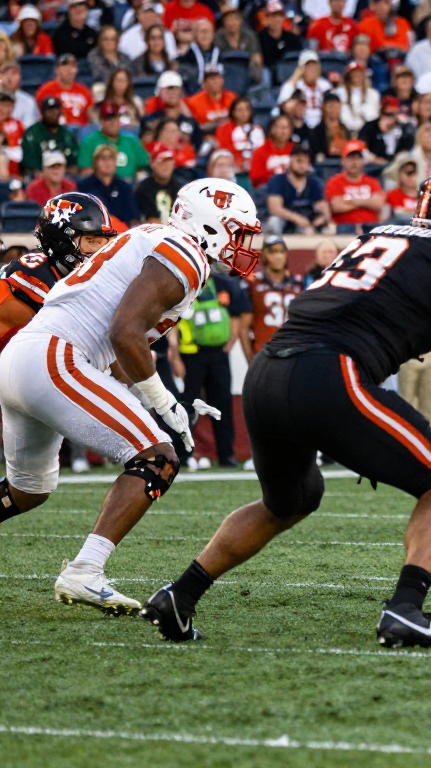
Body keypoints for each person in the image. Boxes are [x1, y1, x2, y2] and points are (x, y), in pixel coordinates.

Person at [141, 168, 431, 646]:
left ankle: (181, 593)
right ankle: (405, 609)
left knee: (290, 500)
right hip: (329, 374)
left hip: (268, 372)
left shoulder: (377, 236)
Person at [0, 180, 248, 616]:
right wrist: (163, 401)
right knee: (157, 457)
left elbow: (116, 355)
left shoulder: (151, 237)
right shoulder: (184, 252)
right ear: (211, 224)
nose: (243, 243)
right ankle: (85, 571)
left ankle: (85, 571)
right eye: (238, 230)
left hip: (28, 358)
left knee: (29, 490)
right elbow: (124, 332)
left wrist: (158, 401)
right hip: (55, 356)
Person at [174, 257, 249, 469]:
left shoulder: (224, 284)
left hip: (218, 354)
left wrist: (230, 341)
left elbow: (235, 314)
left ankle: (226, 454)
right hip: (191, 353)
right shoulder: (184, 286)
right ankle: (183, 454)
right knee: (187, 405)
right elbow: (172, 321)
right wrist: (176, 356)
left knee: (222, 403)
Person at [236, 235, 303, 365]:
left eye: (281, 252)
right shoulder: (252, 284)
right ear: (264, 255)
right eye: (273, 252)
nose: (278, 256)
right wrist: (250, 359)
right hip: (264, 351)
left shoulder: (298, 283)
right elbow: (244, 327)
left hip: (293, 351)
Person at [265, 143, 330, 235]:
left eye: (306, 162)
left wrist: (319, 220)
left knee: (328, 229)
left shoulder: (314, 182)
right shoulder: (278, 180)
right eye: (299, 161)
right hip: (285, 220)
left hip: (307, 222)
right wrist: (297, 219)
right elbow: (275, 208)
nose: (302, 165)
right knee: (274, 222)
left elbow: (323, 209)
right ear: (291, 160)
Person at [78, 102, 150, 180]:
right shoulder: (89, 142)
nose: (112, 123)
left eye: (115, 118)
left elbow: (145, 164)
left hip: (130, 184)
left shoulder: (132, 141)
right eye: (108, 119)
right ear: (101, 121)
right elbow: (85, 172)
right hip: (101, 185)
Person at [325, 140, 383, 235]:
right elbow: (336, 206)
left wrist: (349, 200)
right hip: (344, 226)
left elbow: (378, 204)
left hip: (370, 226)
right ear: (343, 161)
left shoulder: (372, 182)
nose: (354, 162)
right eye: (350, 158)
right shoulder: (334, 181)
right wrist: (367, 201)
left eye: (357, 158)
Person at [77, 144, 138, 226]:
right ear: (95, 162)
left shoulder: (124, 187)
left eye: (110, 158)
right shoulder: (83, 187)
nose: (107, 162)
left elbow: (132, 218)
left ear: (115, 162)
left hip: (121, 233)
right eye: (103, 158)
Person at [22, 97, 78, 175]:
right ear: (42, 112)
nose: (54, 113)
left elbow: (74, 165)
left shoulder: (67, 134)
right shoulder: (32, 133)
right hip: (40, 177)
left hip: (65, 175)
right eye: (50, 110)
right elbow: (31, 166)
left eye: (56, 110)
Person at [36, 54, 94, 129]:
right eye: (65, 66)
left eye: (73, 66)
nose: (69, 70)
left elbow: (92, 114)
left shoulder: (84, 90)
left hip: (82, 132)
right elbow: (42, 116)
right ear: (56, 70)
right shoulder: (46, 90)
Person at [134, 143, 187, 223]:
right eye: (162, 162)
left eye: (169, 162)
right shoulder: (142, 189)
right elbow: (145, 219)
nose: (166, 166)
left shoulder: (181, 189)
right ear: (152, 164)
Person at [250, 113, 295, 190]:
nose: (282, 131)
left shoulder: (297, 150)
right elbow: (255, 180)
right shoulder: (260, 152)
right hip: (268, 191)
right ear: (272, 129)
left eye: (285, 127)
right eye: (279, 127)